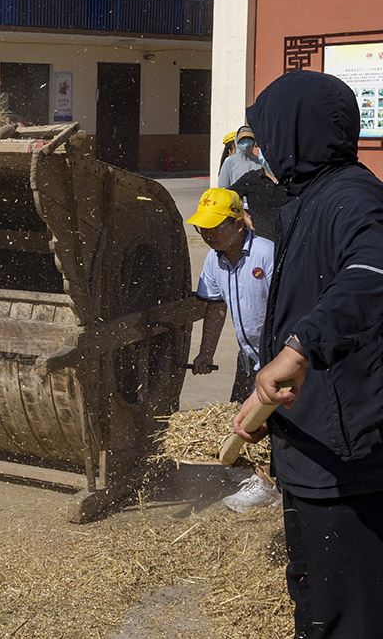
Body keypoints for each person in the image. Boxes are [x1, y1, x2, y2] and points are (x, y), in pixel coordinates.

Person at [233, 70, 383, 638]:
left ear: (298, 131)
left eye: (267, 132)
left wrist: (298, 351)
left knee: (350, 613)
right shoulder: (305, 201)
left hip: (348, 456)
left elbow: (372, 274)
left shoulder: (352, 197)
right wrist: (264, 402)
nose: (261, 147)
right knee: (315, 598)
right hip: (309, 443)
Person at [185, 187, 280, 513]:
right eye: (202, 228)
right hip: (248, 356)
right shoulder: (214, 261)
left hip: (277, 355)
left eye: (214, 226)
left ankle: (269, 486)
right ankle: (253, 474)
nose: (207, 234)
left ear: (239, 224)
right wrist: (206, 353)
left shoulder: (267, 254)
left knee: (270, 419)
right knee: (241, 417)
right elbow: (215, 308)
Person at [229, 161, 289, 243]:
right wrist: (242, 212)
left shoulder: (292, 181)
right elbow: (228, 197)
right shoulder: (252, 178)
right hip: (258, 242)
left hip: (286, 242)